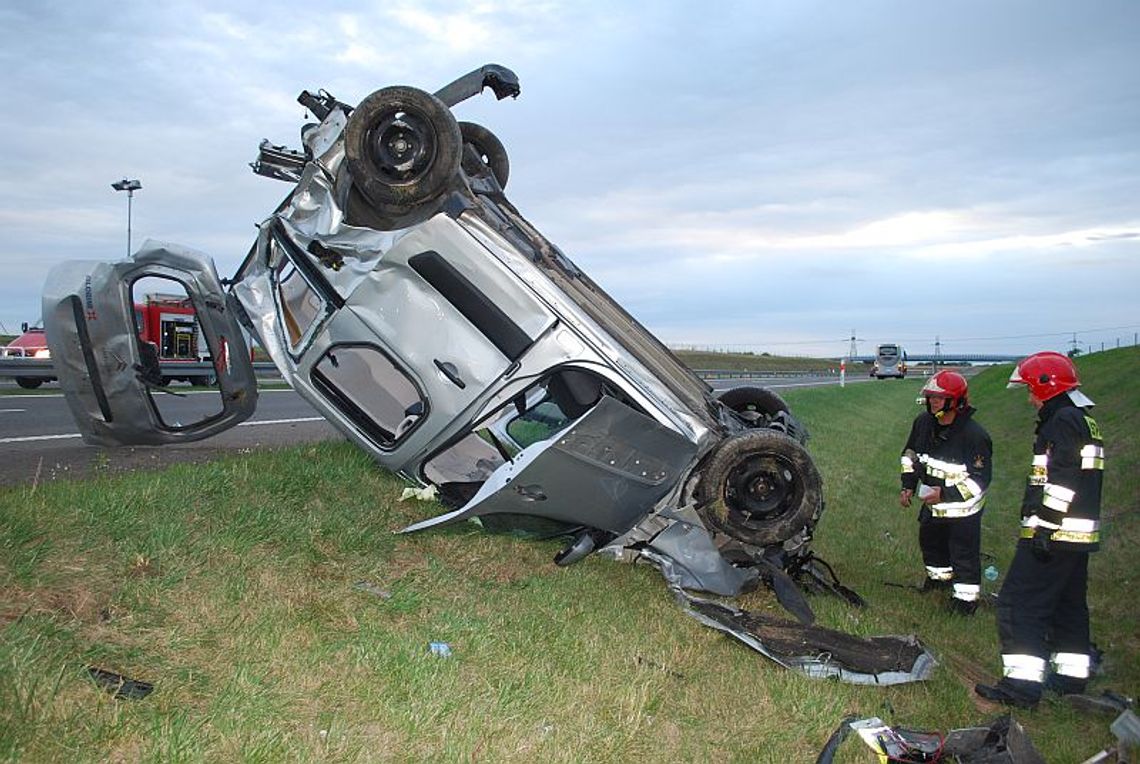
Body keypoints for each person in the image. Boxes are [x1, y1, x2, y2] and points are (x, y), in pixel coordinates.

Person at [976, 352, 1104, 709]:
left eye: (1031, 390)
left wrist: (1045, 526)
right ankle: (1070, 677)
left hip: (1055, 532)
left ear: (1047, 385)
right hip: (1077, 536)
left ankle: (1021, 687)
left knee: (1020, 604)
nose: (1030, 398)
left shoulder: (1061, 421)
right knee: (1068, 606)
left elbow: (1062, 481)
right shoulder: (1082, 419)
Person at [899, 370, 993, 615]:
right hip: (932, 506)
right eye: (931, 398)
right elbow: (910, 456)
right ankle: (938, 583)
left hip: (963, 510)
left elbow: (979, 481)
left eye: (940, 399)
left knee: (963, 554)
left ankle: (965, 602)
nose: (934, 403)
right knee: (931, 545)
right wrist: (907, 484)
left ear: (956, 401)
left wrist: (946, 495)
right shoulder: (923, 423)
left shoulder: (974, 435)